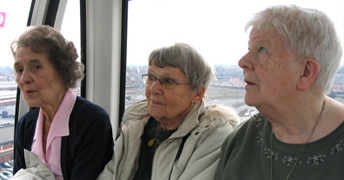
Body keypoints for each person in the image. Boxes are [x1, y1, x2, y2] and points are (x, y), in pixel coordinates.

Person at [215, 5, 344, 180]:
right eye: (249, 49)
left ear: (305, 72)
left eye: (262, 49)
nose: (243, 61)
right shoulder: (240, 141)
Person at [97, 43, 239, 180]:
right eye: (151, 78)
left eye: (168, 81)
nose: (153, 89)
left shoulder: (213, 134)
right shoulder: (135, 125)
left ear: (198, 93)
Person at [11, 25, 114, 180]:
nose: (24, 78)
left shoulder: (92, 121)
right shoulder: (26, 124)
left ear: (61, 70)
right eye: (19, 70)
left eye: (36, 67)